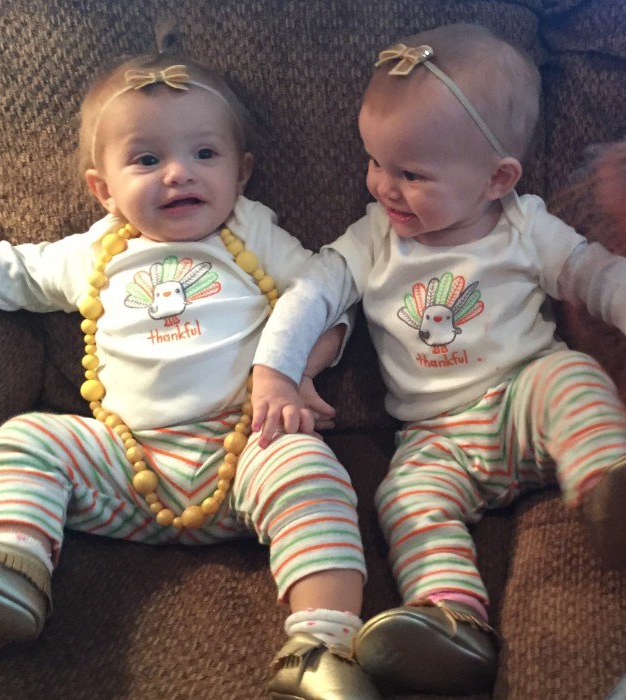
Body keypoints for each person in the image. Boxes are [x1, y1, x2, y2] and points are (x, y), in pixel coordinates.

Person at [0, 37, 381, 700]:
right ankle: (11, 569)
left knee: (311, 471)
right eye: (147, 158)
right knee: (27, 436)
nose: (178, 173)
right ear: (103, 189)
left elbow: (328, 293)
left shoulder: (252, 235)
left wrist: (299, 372)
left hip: (244, 450)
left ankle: (323, 643)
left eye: (204, 154)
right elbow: (0, 271)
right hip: (123, 463)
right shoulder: (92, 254)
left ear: (242, 172)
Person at [250, 22, 626, 696]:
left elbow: (596, 276)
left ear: (496, 179)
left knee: (571, 376)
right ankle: (450, 622)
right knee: (404, 498)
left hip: (524, 400)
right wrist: (275, 371)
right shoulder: (371, 241)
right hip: (433, 438)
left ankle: (608, 487)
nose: (383, 188)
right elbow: (310, 294)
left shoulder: (524, 226)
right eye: (375, 163)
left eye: (411, 173)